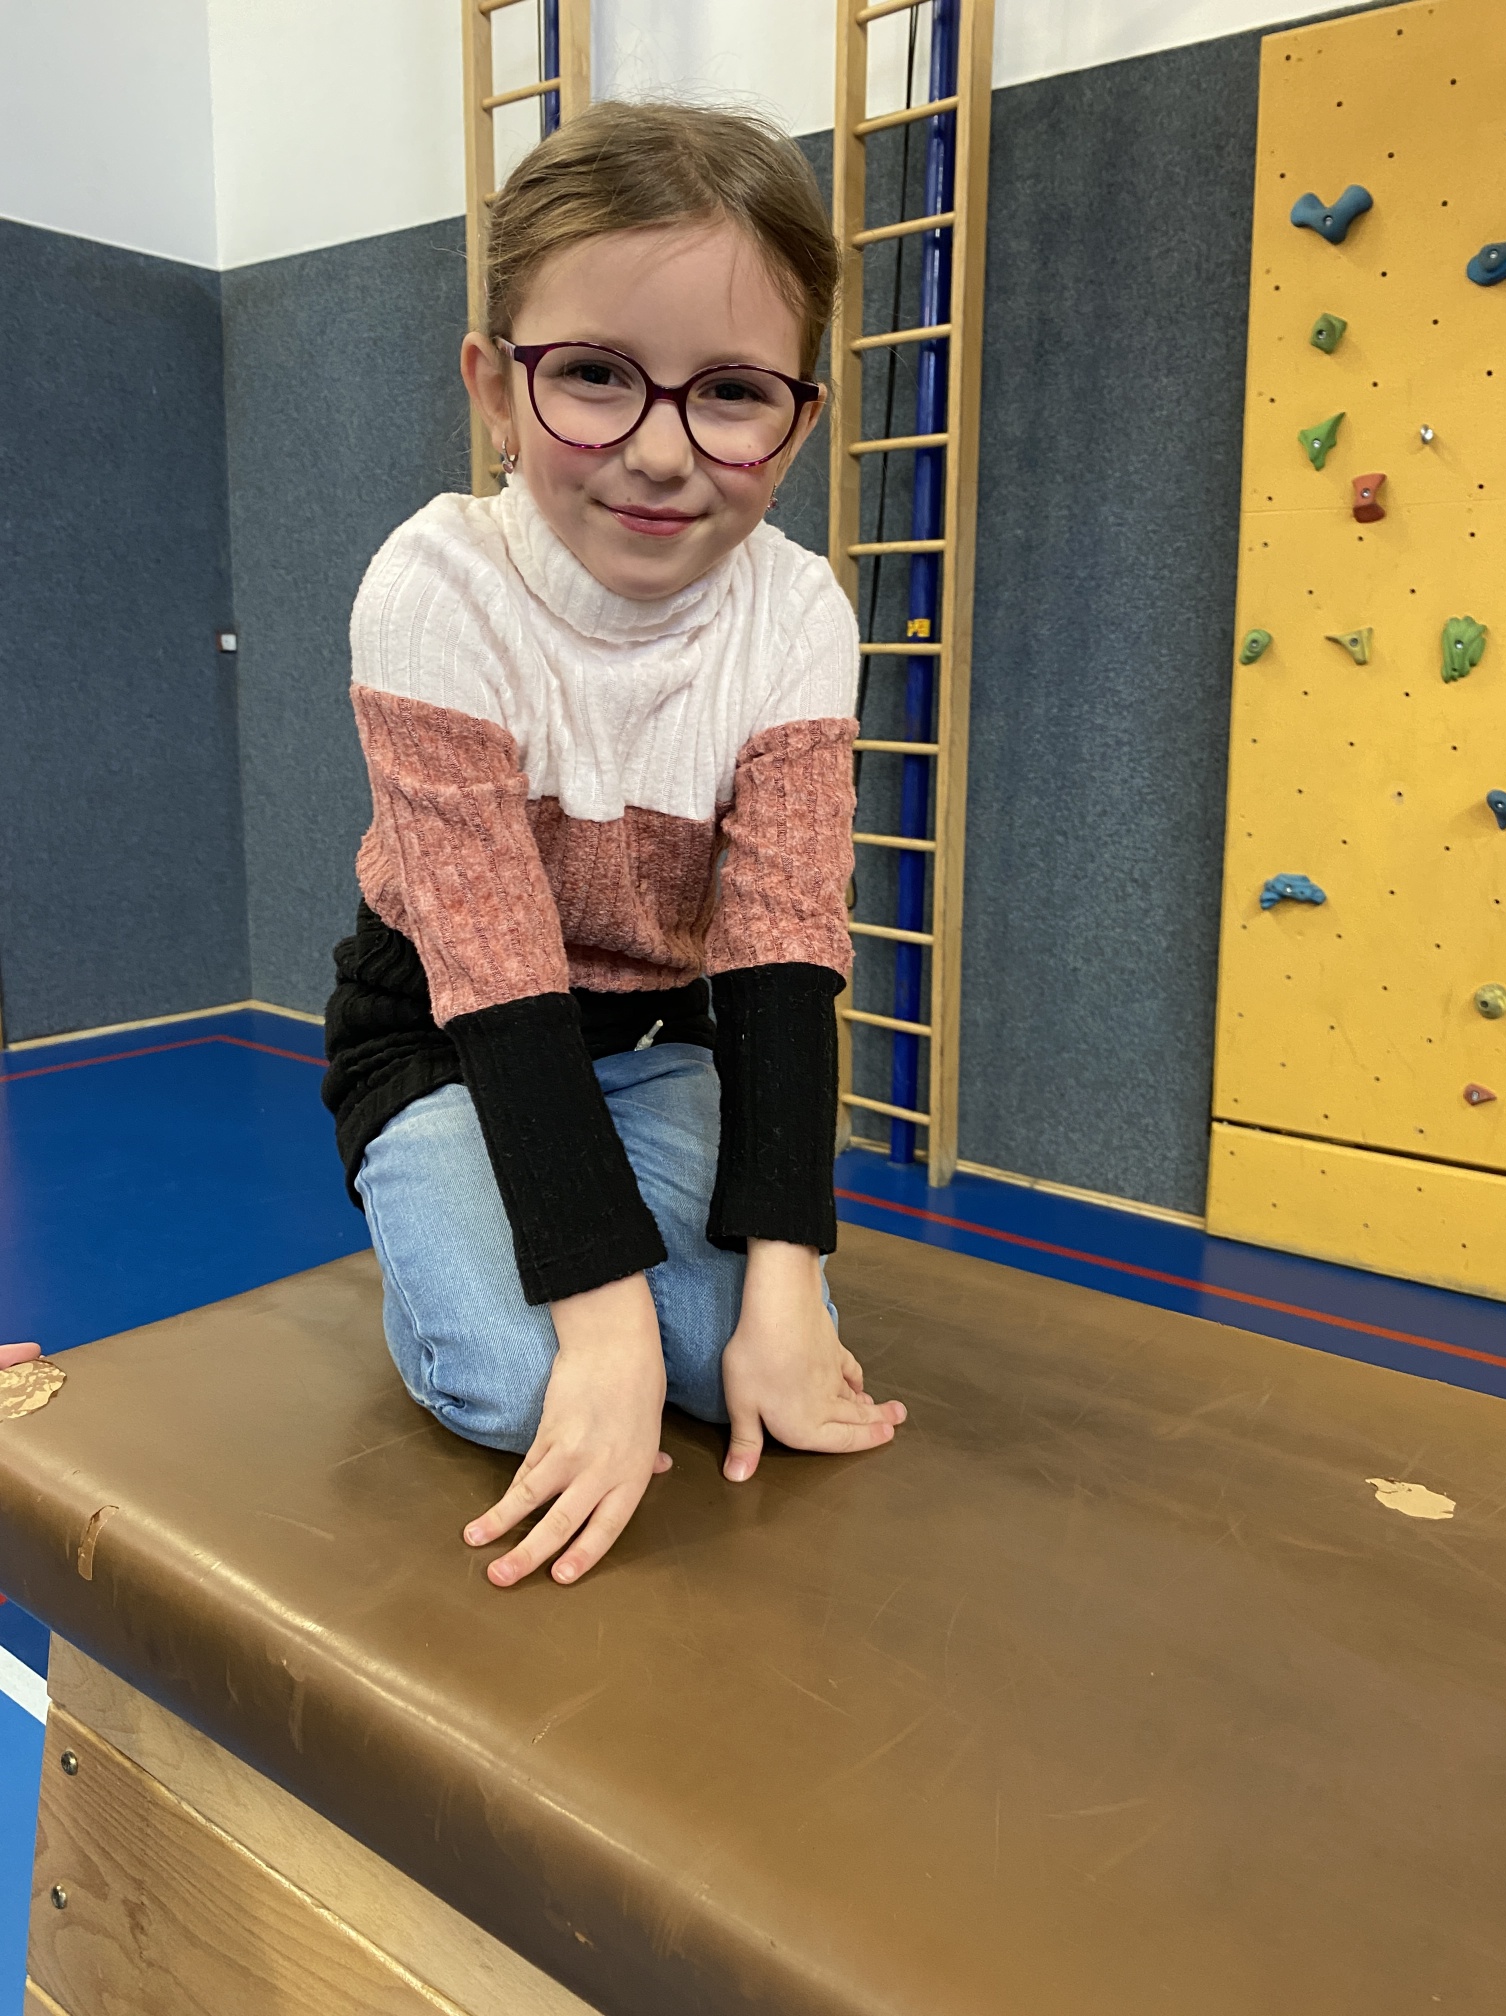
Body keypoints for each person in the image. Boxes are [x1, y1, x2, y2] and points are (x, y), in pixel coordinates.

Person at [322, 99, 906, 1593]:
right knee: (528, 1382)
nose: (658, 453)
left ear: (798, 422)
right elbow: (497, 973)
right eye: (593, 375)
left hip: (656, 1041)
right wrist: (595, 1319)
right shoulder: (434, 589)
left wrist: (788, 1284)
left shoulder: (797, 613)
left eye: (731, 394)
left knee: (737, 1359)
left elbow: (782, 956)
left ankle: (614, 1252)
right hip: (446, 1038)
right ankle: (435, 1210)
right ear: (495, 388)